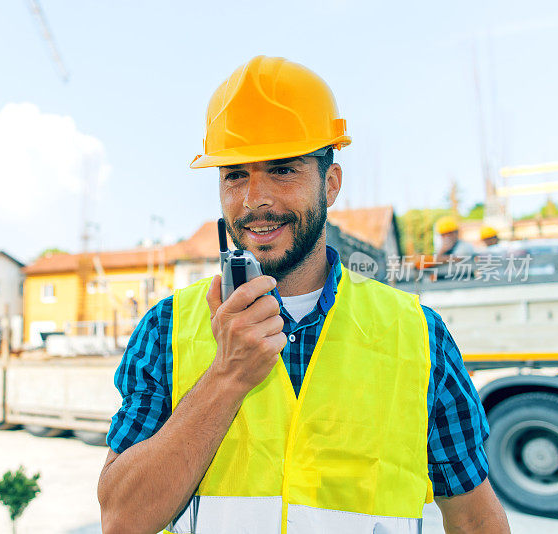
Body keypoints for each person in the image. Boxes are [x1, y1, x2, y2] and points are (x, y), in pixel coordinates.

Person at [98, 56, 510, 534]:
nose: (255, 199)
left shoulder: (418, 335)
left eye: (282, 170)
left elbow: (476, 519)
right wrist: (226, 377)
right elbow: (122, 521)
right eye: (235, 175)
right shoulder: (166, 328)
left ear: (330, 185)